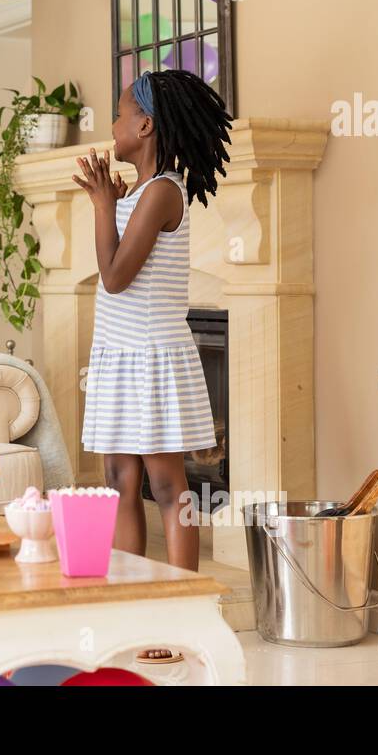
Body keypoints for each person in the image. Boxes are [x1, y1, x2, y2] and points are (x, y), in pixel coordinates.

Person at [72, 69, 231, 573]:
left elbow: (116, 276)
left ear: (144, 127)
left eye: (120, 114)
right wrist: (113, 206)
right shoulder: (139, 194)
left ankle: (182, 599)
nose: (114, 124)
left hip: (150, 356)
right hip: (119, 353)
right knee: (119, 480)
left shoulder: (163, 191)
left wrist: (101, 206)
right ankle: (131, 592)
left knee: (166, 485)